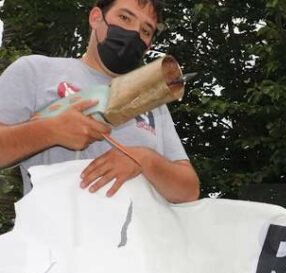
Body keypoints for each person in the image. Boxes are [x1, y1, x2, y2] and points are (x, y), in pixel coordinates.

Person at [0, 0, 200, 203]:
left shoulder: (154, 101)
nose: (134, 33)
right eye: (125, 17)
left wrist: (145, 159)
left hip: (140, 234)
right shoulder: (36, 71)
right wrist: (51, 131)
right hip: (56, 231)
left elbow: (189, 191)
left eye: (145, 31)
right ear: (96, 17)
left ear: (149, 46)